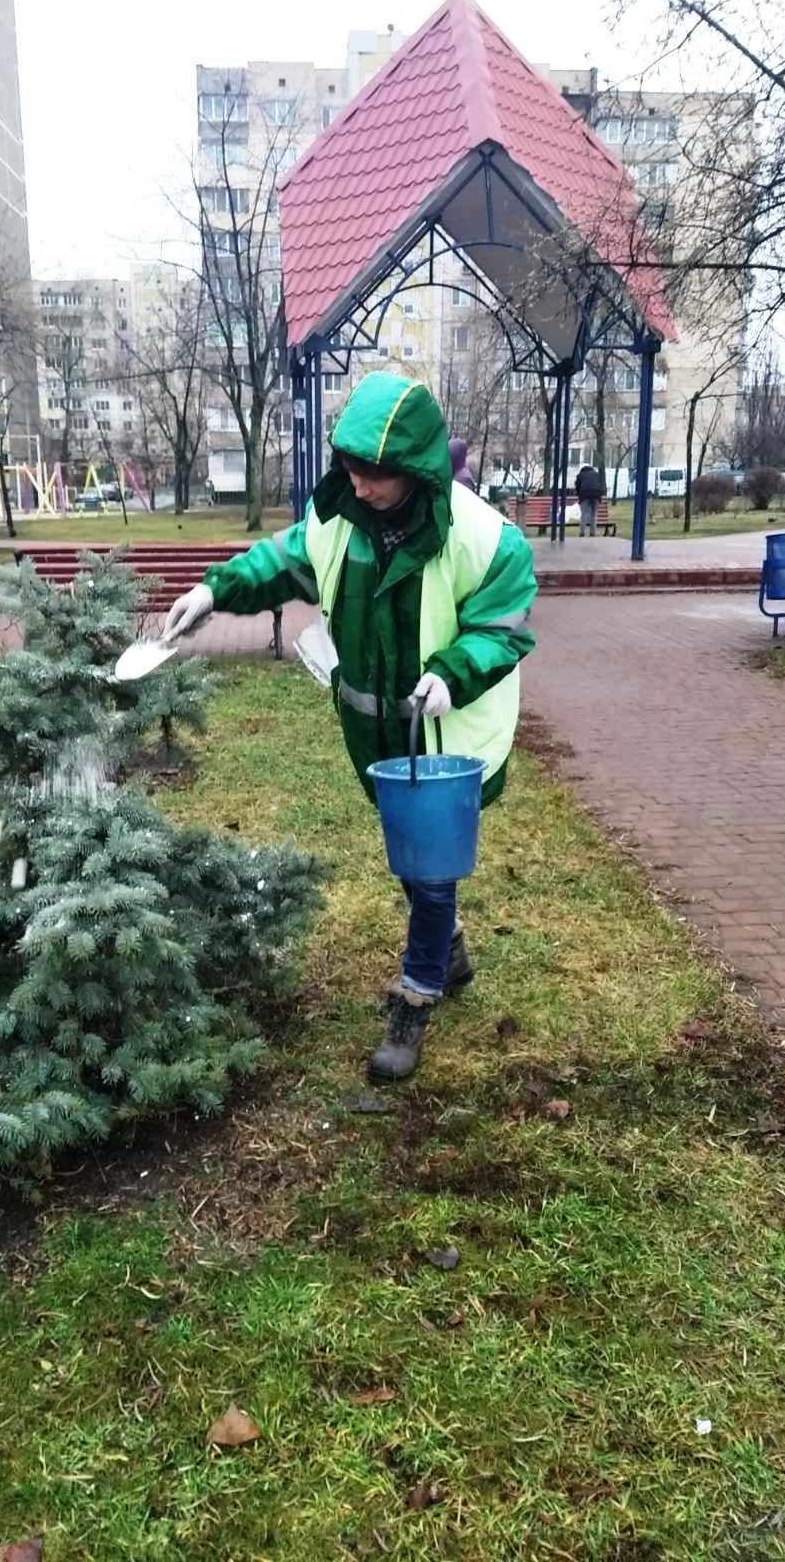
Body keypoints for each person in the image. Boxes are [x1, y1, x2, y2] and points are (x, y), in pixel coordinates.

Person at [163, 373, 537, 1083]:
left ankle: (416, 995)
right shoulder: (338, 520)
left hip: (445, 737)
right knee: (413, 858)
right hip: (373, 734)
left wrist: (454, 671)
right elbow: (281, 561)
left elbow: (503, 628)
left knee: (427, 866)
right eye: (352, 472)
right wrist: (211, 591)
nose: (360, 488)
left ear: (416, 471)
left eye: (376, 478)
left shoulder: (487, 540)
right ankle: (448, 944)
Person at [574, 463, 605, 537]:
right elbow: (601, 485)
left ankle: (582, 532)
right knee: (594, 514)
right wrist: (600, 494)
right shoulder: (597, 474)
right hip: (596, 494)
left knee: (583, 514)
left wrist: (579, 496)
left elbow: (577, 487)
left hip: (584, 494)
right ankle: (592, 533)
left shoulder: (581, 475)